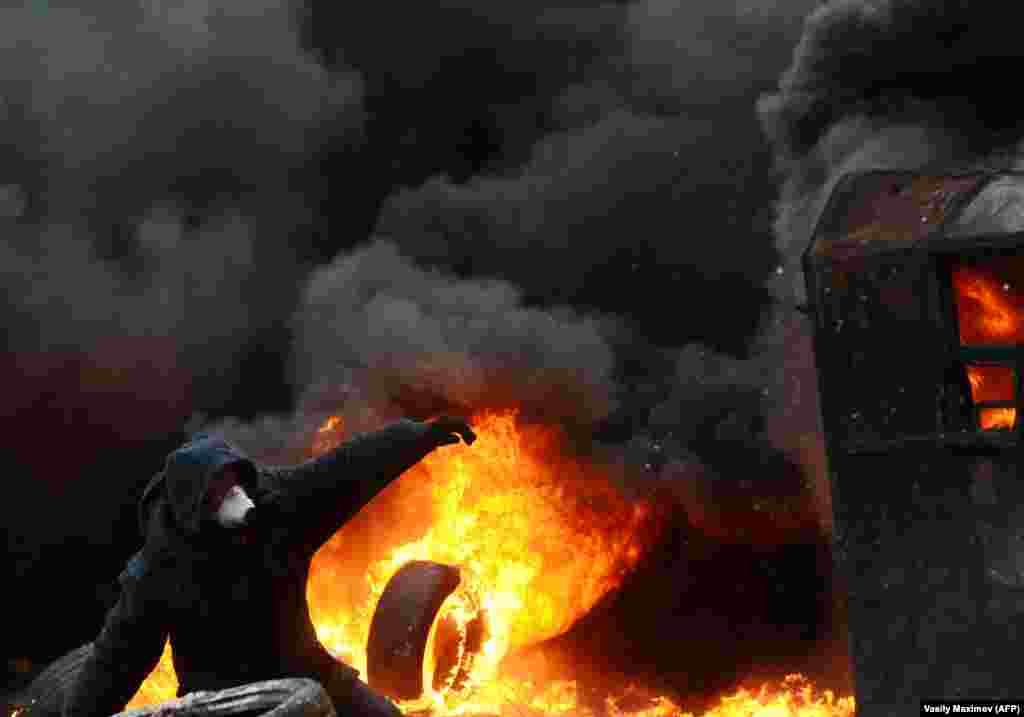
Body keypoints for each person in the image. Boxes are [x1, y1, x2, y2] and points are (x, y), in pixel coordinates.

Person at [62, 416, 477, 717]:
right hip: (224, 702)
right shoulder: (162, 567)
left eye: (232, 482)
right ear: (194, 509)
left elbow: (351, 466)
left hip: (310, 672)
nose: (233, 497)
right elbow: (118, 658)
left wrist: (419, 436)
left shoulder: (282, 504)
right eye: (216, 493)